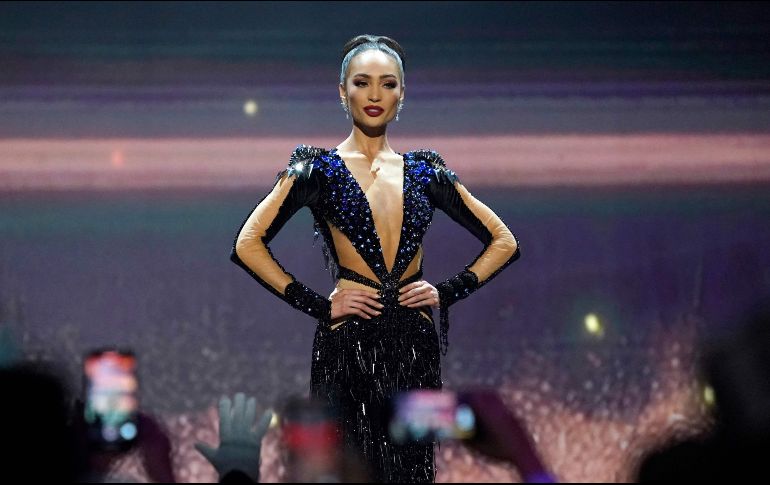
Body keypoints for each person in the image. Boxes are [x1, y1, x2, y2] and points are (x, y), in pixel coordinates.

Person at [230, 34, 520, 483]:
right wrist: (320, 306)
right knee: (339, 468)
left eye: (387, 84)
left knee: (410, 470)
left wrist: (445, 291)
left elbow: (503, 240)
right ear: (342, 91)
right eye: (362, 83)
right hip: (347, 345)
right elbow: (248, 243)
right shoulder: (317, 170)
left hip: (412, 347)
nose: (374, 95)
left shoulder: (425, 172)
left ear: (402, 93)